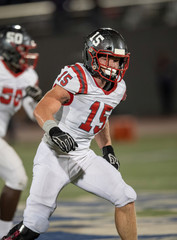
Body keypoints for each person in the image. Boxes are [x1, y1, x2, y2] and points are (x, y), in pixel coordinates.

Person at [1, 27, 138, 240]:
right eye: (107, 59)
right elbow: (43, 107)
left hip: (83, 157)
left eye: (117, 60)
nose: (113, 66)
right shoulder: (76, 76)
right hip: (54, 155)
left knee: (126, 197)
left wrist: (107, 147)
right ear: (92, 56)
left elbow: (101, 115)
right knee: (33, 226)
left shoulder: (119, 87)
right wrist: (54, 130)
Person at [0, 24, 42, 237]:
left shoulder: (28, 77)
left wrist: (40, 102)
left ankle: (2, 233)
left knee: (17, 178)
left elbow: (35, 113)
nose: (26, 55)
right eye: (22, 50)